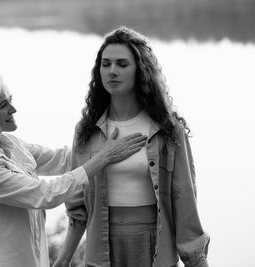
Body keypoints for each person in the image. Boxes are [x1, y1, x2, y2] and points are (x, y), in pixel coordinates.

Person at [0, 70, 147, 267]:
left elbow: (62, 159)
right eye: (3, 105)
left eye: (10, 100)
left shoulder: (9, 144)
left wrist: (108, 140)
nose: (14, 109)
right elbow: (45, 194)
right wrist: (104, 156)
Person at [54, 27, 210, 267]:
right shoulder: (86, 131)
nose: (112, 71)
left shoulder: (167, 130)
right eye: (106, 64)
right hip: (101, 252)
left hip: (154, 247)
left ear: (141, 70)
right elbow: (77, 209)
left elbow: (184, 199)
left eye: (122, 64)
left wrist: (197, 261)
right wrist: (62, 260)